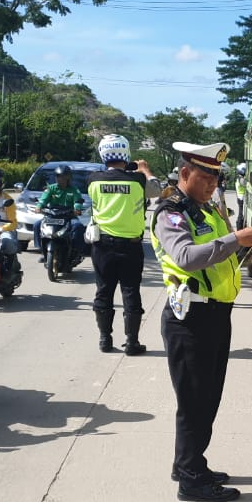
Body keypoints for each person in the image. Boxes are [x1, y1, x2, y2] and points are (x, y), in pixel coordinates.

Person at [150, 141, 252, 502]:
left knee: (207, 399)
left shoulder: (208, 211)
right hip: (191, 319)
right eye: (204, 178)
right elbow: (186, 257)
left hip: (216, 315)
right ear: (185, 173)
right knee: (195, 402)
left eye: (216, 179)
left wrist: (247, 248)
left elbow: (220, 260)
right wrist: (236, 238)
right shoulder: (171, 214)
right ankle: (192, 480)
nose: (212, 185)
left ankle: (188, 463)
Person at [86, 134, 160, 355]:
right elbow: (156, 191)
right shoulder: (137, 180)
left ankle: (104, 339)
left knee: (103, 291)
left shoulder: (93, 179)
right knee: (130, 292)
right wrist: (145, 169)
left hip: (102, 246)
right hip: (131, 246)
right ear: (125, 154)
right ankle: (132, 342)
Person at [33, 165, 86, 263]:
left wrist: (77, 208)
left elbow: (78, 201)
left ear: (68, 177)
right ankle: (42, 250)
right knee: (37, 225)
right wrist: (39, 207)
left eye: (62, 176)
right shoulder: (51, 188)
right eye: (58, 176)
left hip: (68, 215)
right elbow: (43, 199)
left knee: (78, 226)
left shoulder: (74, 189)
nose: (60, 179)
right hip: (52, 215)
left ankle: (77, 252)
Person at [233, 162, 249, 230]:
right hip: (241, 198)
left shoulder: (239, 178)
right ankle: (239, 229)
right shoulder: (241, 179)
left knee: (241, 213)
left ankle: (240, 228)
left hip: (240, 198)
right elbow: (246, 185)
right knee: (241, 214)